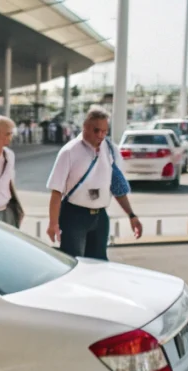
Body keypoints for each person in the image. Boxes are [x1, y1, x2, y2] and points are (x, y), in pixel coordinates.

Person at [45, 106, 142, 260]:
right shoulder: (69, 151)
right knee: (75, 263)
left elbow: (117, 186)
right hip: (74, 217)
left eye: (105, 131)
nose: (101, 135)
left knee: (99, 264)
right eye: (97, 130)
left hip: (100, 218)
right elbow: (56, 192)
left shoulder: (110, 149)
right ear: (85, 127)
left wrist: (131, 215)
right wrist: (53, 223)